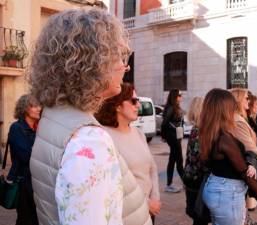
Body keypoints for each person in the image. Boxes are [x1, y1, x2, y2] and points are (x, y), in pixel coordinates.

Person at [28, 8, 139, 225]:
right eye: (118, 55)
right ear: (93, 64)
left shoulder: (56, 116)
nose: (124, 66)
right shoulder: (89, 140)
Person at [199, 89, 257, 225]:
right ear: (224, 109)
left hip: (218, 187)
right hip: (227, 193)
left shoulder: (210, 132)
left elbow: (231, 161)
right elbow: (244, 172)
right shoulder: (224, 138)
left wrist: (249, 163)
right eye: (231, 106)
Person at [95, 83, 159, 224]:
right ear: (117, 106)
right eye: (133, 101)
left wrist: (155, 197)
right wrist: (146, 203)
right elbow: (115, 182)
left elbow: (152, 168)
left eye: (139, 102)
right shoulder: (104, 136)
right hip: (128, 214)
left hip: (150, 211)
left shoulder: (139, 134)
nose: (138, 106)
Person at [230, 88, 257, 225]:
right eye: (246, 98)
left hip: (245, 165)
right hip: (244, 166)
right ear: (238, 100)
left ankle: (245, 220)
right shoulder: (238, 120)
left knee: (242, 201)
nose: (248, 101)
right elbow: (249, 146)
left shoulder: (241, 118)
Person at [7, 95, 41, 225]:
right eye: (34, 106)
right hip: (24, 181)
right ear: (25, 109)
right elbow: (26, 156)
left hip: (38, 179)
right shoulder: (17, 128)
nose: (39, 109)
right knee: (26, 219)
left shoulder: (40, 128)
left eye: (39, 105)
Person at [182, 97, 209, 225]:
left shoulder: (196, 129)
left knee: (198, 217)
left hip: (191, 178)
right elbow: (200, 159)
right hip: (197, 181)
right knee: (200, 217)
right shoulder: (200, 131)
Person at [161, 89, 185, 193]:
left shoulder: (176, 107)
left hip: (176, 136)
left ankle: (170, 184)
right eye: (179, 95)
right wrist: (164, 135)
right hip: (172, 136)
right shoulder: (171, 108)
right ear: (175, 96)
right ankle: (181, 183)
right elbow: (164, 123)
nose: (181, 97)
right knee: (178, 160)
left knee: (174, 160)